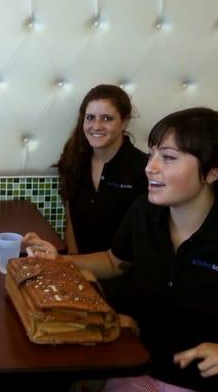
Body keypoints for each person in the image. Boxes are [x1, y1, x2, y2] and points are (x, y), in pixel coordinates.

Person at [25, 107, 218, 391]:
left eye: (169, 158)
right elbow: (115, 262)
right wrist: (62, 261)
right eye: (152, 155)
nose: (150, 167)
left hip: (207, 380)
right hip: (139, 364)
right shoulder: (144, 212)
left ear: (214, 171)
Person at [56, 84, 147, 309]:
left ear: (124, 122)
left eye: (107, 118)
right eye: (90, 118)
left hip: (128, 282)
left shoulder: (143, 169)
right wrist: (73, 265)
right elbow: (71, 218)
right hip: (80, 273)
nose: (96, 126)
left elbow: (143, 246)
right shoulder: (74, 161)